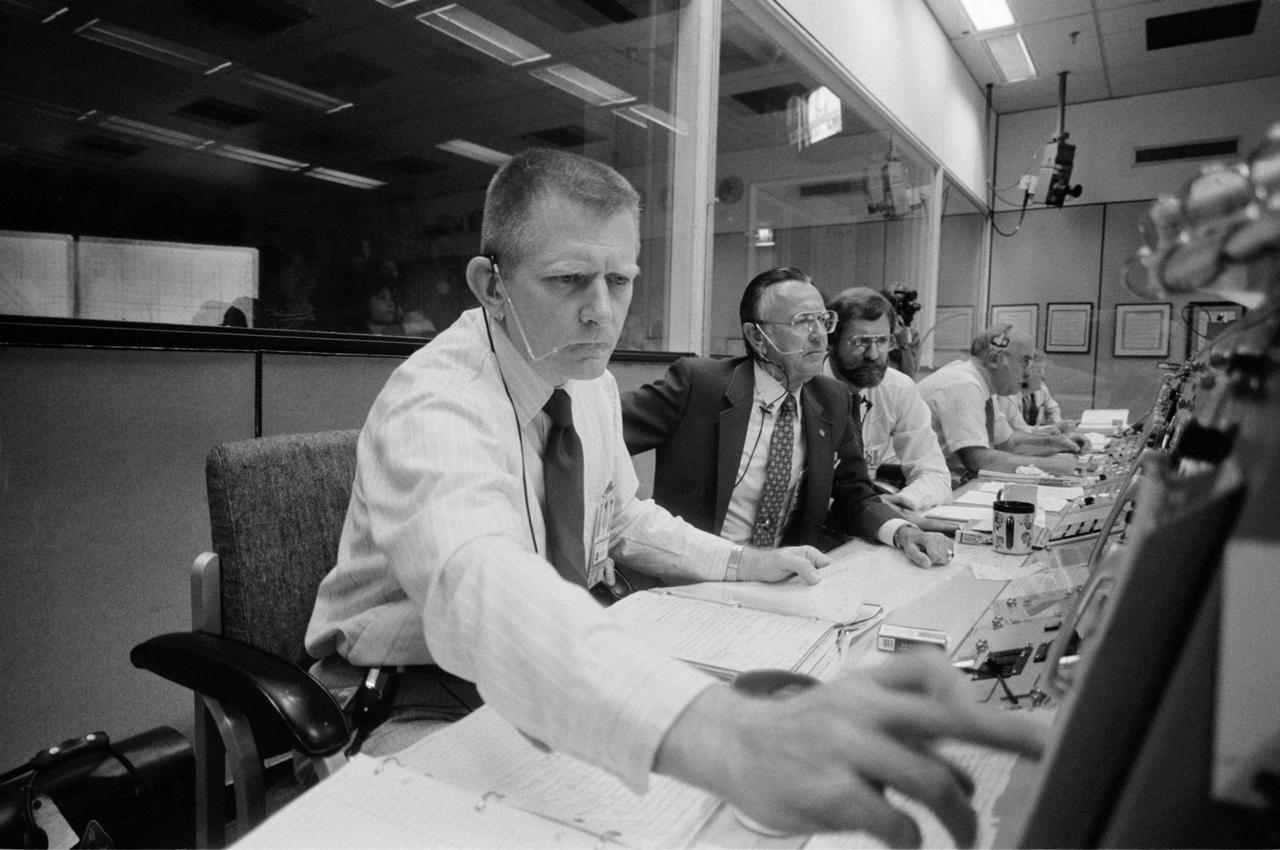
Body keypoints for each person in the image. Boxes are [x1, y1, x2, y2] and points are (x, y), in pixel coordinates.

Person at [305, 149, 1046, 845]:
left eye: (620, 281)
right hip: (412, 690)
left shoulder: (583, 379)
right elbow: (480, 583)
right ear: (491, 284)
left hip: (537, 662)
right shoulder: (435, 402)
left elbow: (621, 515)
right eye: (568, 281)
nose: (603, 311)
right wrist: (717, 733)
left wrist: (738, 563)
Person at [621, 268, 952, 569]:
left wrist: (903, 532)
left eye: (823, 320)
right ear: (756, 337)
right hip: (696, 574)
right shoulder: (700, 385)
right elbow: (601, 431)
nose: (818, 335)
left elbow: (856, 496)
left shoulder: (832, 399)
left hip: (783, 578)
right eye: (802, 322)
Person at [825, 287, 952, 512]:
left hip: (872, 514)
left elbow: (934, 474)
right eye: (859, 342)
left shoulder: (898, 388)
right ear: (831, 343)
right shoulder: (805, 388)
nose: (873, 354)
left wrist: (903, 501)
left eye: (882, 340)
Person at [917, 325, 1085, 482]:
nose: (1027, 371)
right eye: (1024, 360)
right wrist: (1052, 466)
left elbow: (1007, 442)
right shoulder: (963, 385)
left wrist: (1055, 444)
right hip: (908, 483)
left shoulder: (982, 386)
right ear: (993, 360)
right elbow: (979, 461)